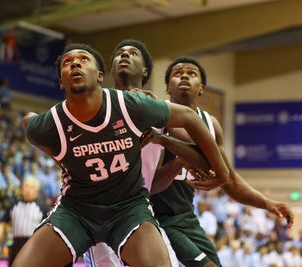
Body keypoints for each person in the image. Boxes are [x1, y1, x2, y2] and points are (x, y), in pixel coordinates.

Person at [15, 43, 228, 267]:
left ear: (99, 76)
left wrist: (222, 172)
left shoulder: (129, 105)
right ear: (61, 81)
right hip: (77, 210)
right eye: (68, 62)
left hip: (129, 208)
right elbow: (28, 122)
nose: (75, 63)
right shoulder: (54, 122)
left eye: (83, 59)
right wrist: (60, 157)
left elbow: (188, 117)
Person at [146, 56, 295, 266]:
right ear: (168, 86)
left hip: (186, 216)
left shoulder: (210, 124)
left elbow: (231, 180)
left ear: (201, 88)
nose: (185, 77)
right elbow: (198, 151)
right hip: (154, 214)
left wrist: (267, 203)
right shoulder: (157, 114)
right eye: (178, 73)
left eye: (191, 73)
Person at [84, 39, 211, 267]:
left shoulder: (157, 110)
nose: (124, 55)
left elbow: (201, 150)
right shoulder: (95, 104)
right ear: (111, 68)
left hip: (139, 211)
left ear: (145, 70)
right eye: (120, 53)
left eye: (132, 53)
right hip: (100, 213)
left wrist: (178, 162)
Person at [0, 177, 47, 266]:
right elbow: (3, 224)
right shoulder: (14, 206)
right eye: (26, 186)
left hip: (33, 245)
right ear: (21, 188)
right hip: (16, 244)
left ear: (36, 190)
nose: (28, 190)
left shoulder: (42, 208)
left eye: (31, 187)